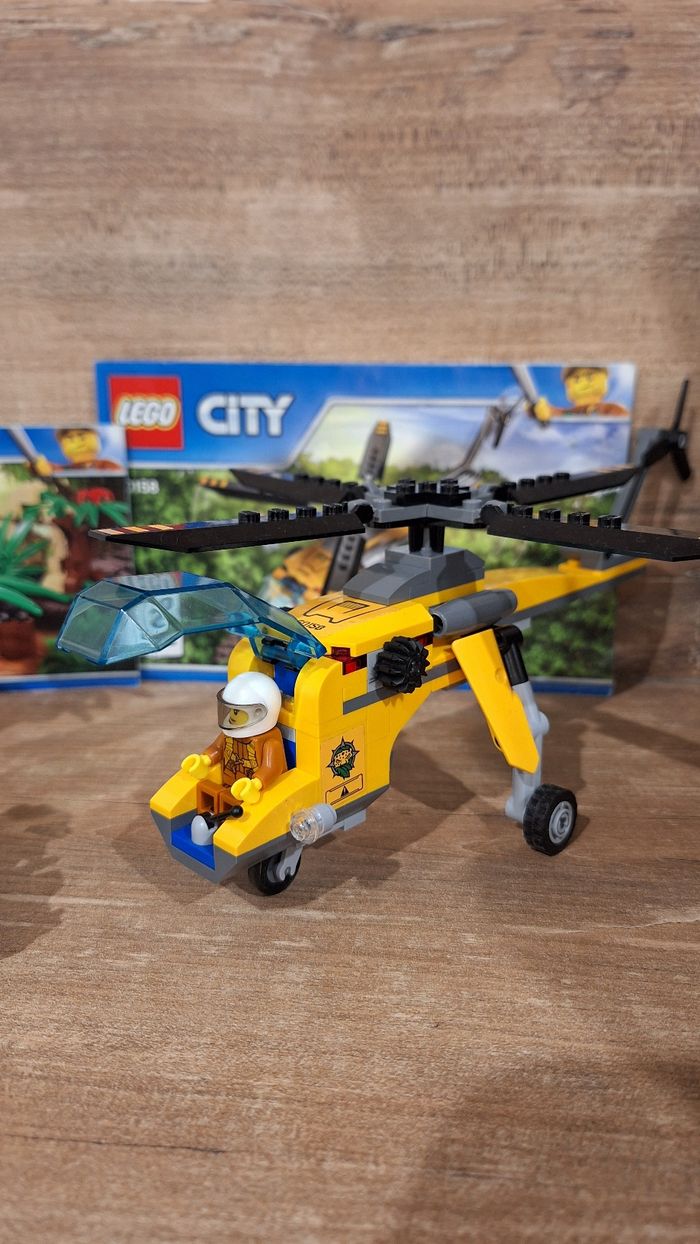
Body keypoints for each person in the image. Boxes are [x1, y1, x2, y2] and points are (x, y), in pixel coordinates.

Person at [181, 671, 287, 818]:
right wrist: (205, 760)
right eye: (230, 710)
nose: (230, 716)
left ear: (258, 713)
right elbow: (218, 748)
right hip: (230, 786)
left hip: (257, 791)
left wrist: (256, 784)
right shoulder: (231, 733)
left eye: (236, 712)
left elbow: (272, 768)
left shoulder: (270, 742)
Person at [533, 367, 628, 422]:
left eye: (590, 376)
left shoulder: (611, 409)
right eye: (577, 379)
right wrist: (536, 409)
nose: (583, 383)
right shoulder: (570, 414)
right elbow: (562, 414)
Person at [36, 427, 121, 474]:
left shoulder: (107, 465)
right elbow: (55, 469)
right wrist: (41, 466)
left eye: (81, 436)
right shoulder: (67, 469)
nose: (77, 441)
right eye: (70, 438)